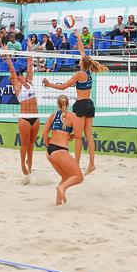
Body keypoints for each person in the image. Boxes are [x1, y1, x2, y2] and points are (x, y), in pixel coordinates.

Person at [42, 43, 106, 174]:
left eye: (80, 60)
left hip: (81, 105)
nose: (79, 60)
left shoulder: (79, 74)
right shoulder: (88, 71)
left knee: (78, 137)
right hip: (89, 104)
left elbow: (63, 87)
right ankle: (91, 164)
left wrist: (49, 84)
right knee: (89, 136)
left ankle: (76, 164)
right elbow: (83, 52)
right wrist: (77, 37)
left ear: (82, 63)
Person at [42, 95, 84, 206]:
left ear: (58, 104)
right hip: (60, 150)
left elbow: (44, 134)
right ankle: (62, 188)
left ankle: (58, 202)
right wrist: (73, 135)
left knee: (65, 177)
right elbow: (78, 136)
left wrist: (48, 146)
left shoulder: (53, 115)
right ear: (68, 104)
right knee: (79, 177)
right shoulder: (72, 116)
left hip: (50, 151)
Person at [4, 51, 39, 180]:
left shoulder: (29, 82)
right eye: (18, 76)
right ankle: (22, 164)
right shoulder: (18, 87)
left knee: (31, 144)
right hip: (25, 118)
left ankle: (30, 166)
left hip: (35, 117)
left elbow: (30, 64)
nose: (21, 76)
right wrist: (7, 54)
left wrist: (29, 49)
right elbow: (12, 69)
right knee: (25, 143)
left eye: (21, 75)